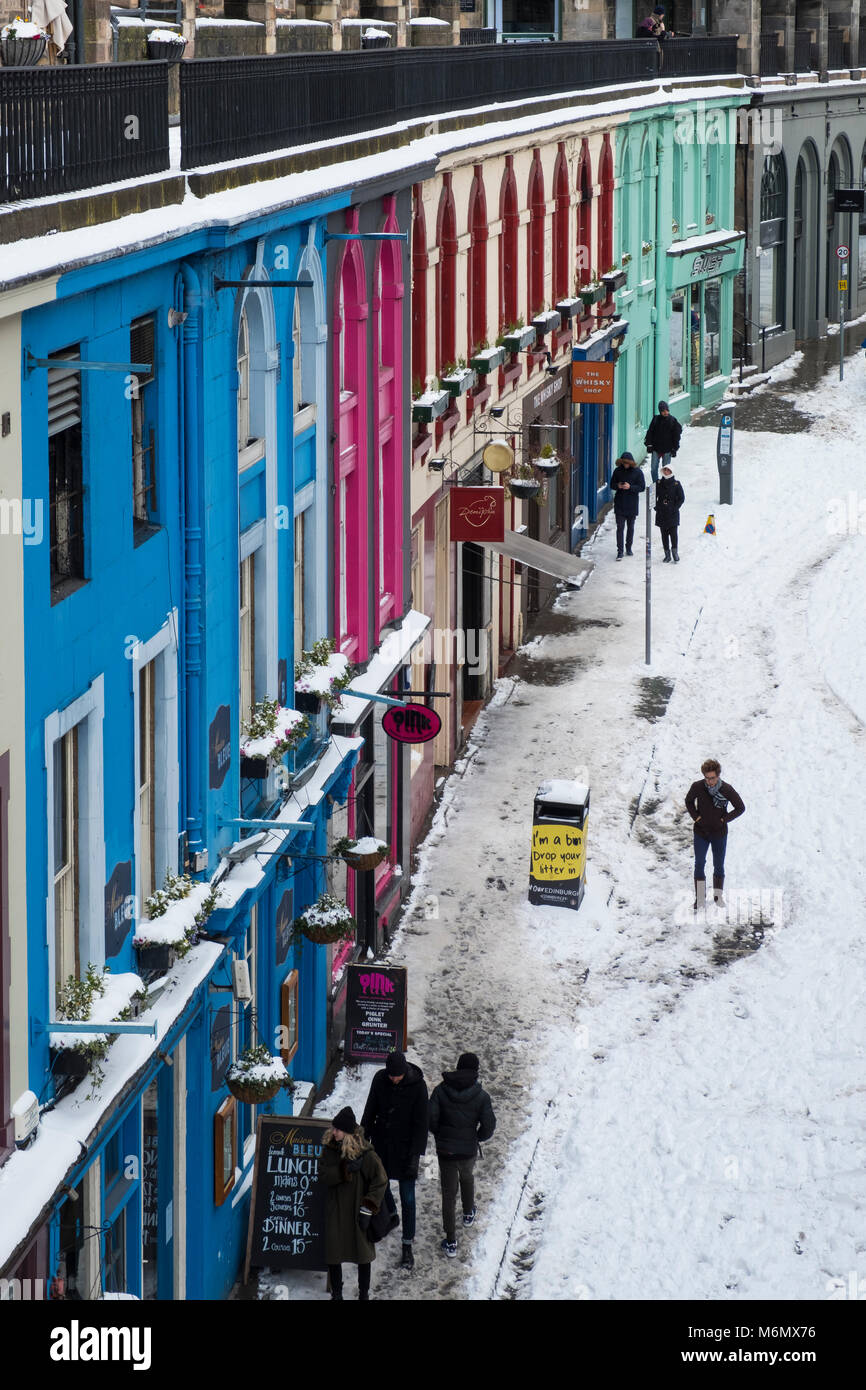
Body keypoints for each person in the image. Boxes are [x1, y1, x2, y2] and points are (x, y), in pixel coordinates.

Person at [361, 1050, 429, 1271]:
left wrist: (415, 1156)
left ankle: (407, 1245)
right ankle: (391, 1215)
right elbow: (370, 1108)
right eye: (391, 1075)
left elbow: (421, 1124)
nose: (393, 1079)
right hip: (382, 1145)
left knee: (408, 1199)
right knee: (380, 1186)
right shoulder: (380, 1080)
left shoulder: (418, 1087)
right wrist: (364, 1135)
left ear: (405, 1072)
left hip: (406, 1150)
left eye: (397, 1076)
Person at [429, 1051, 496, 1257]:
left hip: (446, 1151)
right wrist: (477, 1137)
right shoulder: (481, 1096)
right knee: (467, 1177)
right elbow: (489, 1125)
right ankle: (468, 1212)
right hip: (468, 1149)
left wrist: (441, 1136)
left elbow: (430, 1118)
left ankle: (450, 1240)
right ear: (475, 1071)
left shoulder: (440, 1090)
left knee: (448, 1194)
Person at [321, 1105, 388, 1300]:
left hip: (359, 1211)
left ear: (348, 1133)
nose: (333, 1132)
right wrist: (344, 1170)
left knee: (363, 1254)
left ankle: (364, 1293)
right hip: (336, 1210)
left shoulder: (366, 1154)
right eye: (333, 1128)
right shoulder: (330, 1149)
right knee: (334, 1253)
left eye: (338, 1129)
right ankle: (337, 1293)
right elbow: (323, 1175)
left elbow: (380, 1180)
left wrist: (368, 1207)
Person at [685, 759, 746, 908]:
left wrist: (724, 819)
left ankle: (718, 897)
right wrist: (697, 817)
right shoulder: (698, 786)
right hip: (701, 832)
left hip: (719, 833)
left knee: (718, 865)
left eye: (712, 778)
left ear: (718, 776)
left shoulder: (726, 789)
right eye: (707, 777)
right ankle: (700, 899)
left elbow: (740, 807)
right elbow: (689, 801)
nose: (709, 781)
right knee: (699, 864)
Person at [610, 451, 646, 560]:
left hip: (632, 504)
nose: (625, 465)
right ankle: (620, 551)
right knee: (620, 528)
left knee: (631, 527)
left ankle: (628, 548)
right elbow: (612, 484)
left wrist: (630, 487)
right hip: (620, 503)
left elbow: (642, 487)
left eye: (627, 463)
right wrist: (619, 486)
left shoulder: (638, 472)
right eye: (624, 463)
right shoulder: (617, 471)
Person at [644, 400, 682, 485]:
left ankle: (665, 484)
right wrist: (649, 444)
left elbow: (677, 436)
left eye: (667, 410)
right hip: (656, 449)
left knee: (666, 469)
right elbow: (650, 432)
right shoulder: (655, 419)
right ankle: (655, 483)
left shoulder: (672, 421)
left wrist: (675, 448)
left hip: (667, 450)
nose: (666, 412)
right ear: (660, 411)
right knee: (653, 468)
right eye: (663, 411)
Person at [654, 462, 685, 562]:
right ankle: (667, 554)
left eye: (668, 470)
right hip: (661, 512)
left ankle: (675, 552)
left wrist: (675, 508)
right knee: (664, 535)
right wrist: (657, 507)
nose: (666, 472)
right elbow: (653, 496)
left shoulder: (676, 484)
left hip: (672, 513)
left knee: (673, 534)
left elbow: (681, 498)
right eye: (665, 470)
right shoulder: (658, 483)